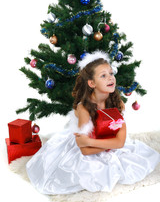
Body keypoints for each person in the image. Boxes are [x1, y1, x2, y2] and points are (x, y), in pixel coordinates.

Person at [26, 50, 160, 195]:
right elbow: (85, 150)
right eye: (103, 75)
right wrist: (105, 144)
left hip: (98, 143)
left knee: (134, 160)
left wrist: (92, 142)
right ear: (92, 83)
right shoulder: (84, 108)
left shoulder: (117, 102)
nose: (110, 78)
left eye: (111, 73)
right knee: (90, 171)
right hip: (88, 150)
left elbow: (120, 142)